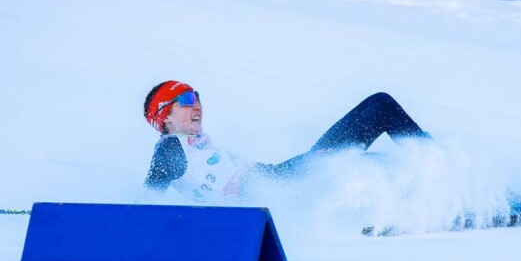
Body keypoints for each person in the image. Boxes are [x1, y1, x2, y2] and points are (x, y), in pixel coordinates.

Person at [143, 80, 431, 203]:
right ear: (164, 116)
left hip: (286, 178)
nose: (197, 105)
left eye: (198, 97)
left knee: (373, 158)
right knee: (379, 108)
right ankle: (440, 174)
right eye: (186, 99)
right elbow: (147, 199)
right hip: (284, 186)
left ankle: (433, 189)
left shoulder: (196, 146)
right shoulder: (171, 147)